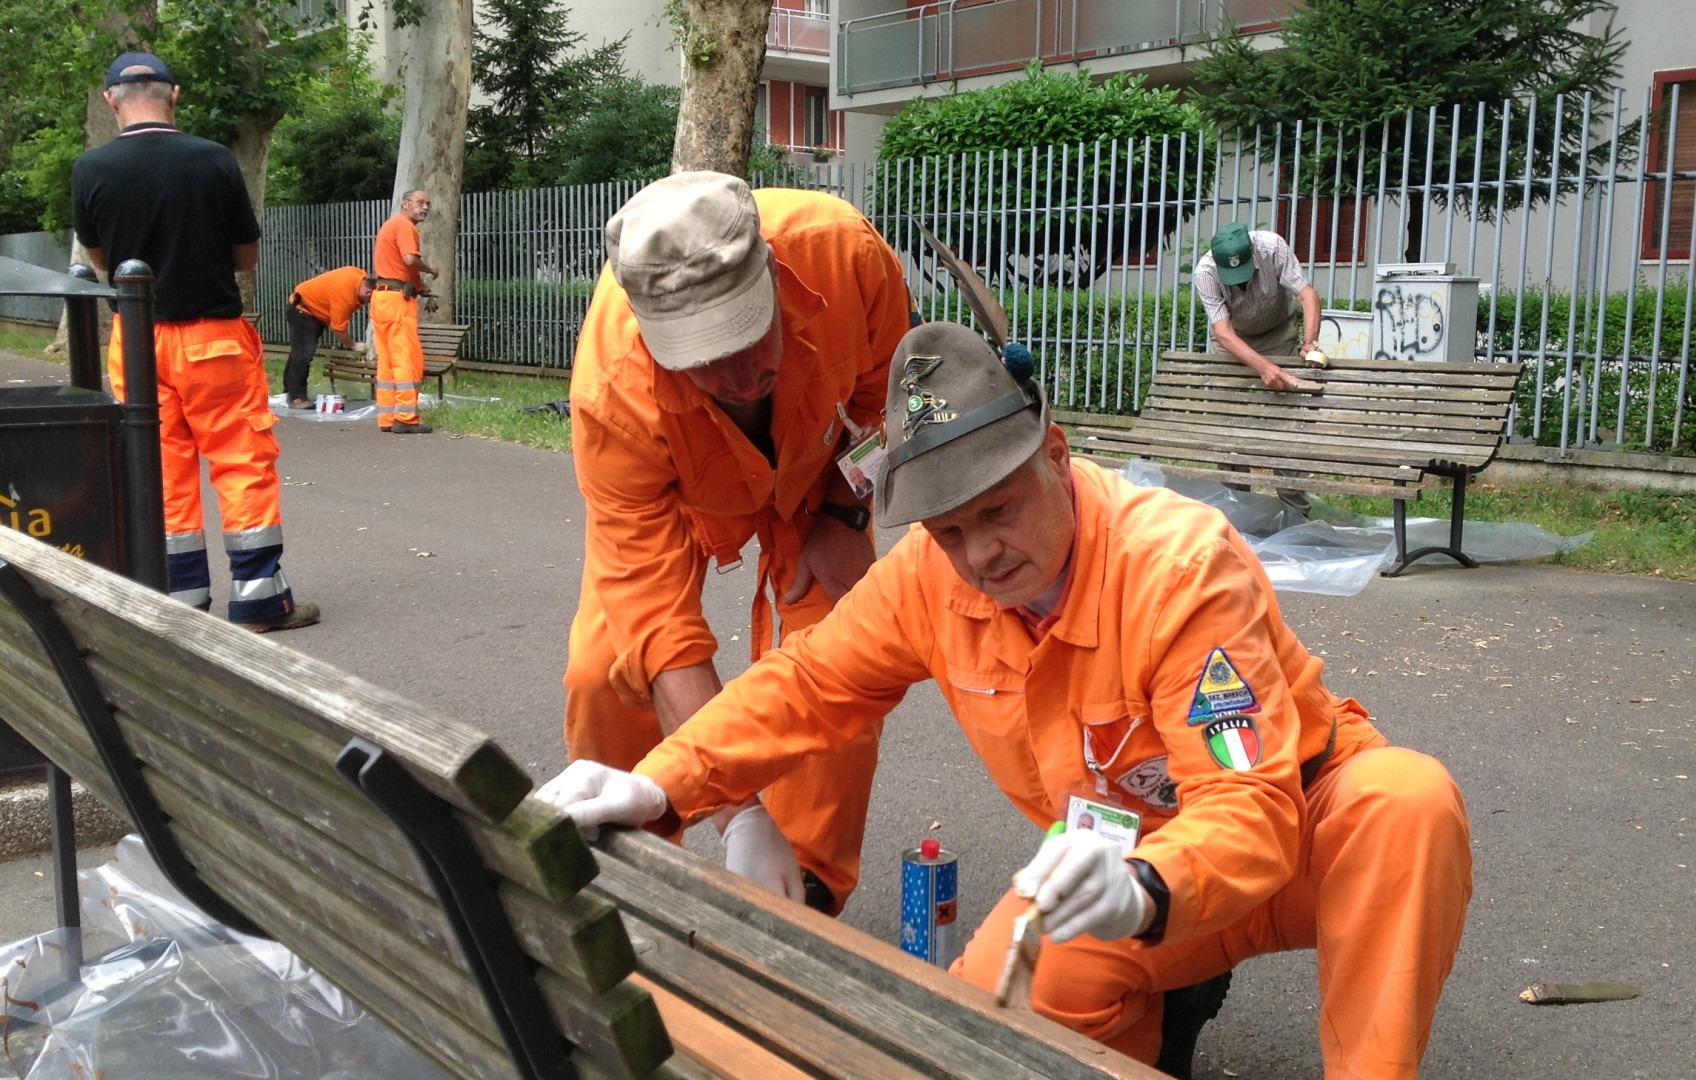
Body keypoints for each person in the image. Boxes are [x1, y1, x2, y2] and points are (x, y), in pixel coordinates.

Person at [536, 320, 1474, 1079]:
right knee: (985, 1035)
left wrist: (1150, 890)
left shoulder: (1179, 568)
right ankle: (1151, 1002)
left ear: (1055, 456)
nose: (980, 554)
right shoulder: (931, 576)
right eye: (948, 530)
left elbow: (1248, 808)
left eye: (998, 510)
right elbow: (809, 683)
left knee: (1405, 803)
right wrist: (664, 784)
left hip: (1294, 832)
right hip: (1114, 860)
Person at [562, 171, 911, 913]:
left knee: (841, 651)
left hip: (819, 473)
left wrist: (845, 511)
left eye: (751, 335)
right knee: (602, 671)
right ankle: (624, 855)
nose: (744, 377)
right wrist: (739, 813)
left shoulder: (846, 254)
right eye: (704, 358)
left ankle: (802, 890)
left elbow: (890, 398)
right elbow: (660, 626)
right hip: (688, 492)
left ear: (774, 273)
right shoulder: (612, 394)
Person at [71, 51, 319, 633]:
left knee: (159, 471)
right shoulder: (213, 160)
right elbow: (246, 257)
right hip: (215, 340)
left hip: (136, 341)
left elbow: (101, 260)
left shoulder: (91, 168)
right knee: (241, 462)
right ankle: (258, 603)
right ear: (174, 95)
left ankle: (179, 602)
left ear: (110, 101)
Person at [1195, 222, 1330, 393]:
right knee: (1226, 397)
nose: (1239, 281)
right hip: (1233, 338)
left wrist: (1309, 343)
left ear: (1252, 251)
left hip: (1277, 334)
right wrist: (1264, 367)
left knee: (1286, 390)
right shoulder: (1205, 272)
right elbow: (1223, 330)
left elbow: (1308, 295)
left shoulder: (1273, 248)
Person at [371, 189, 437, 434]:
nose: (425, 207)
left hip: (382, 297)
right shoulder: (405, 226)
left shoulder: (390, 225)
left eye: (428, 203)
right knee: (407, 359)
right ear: (405, 203)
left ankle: (387, 417)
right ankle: (406, 418)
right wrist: (430, 270)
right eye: (420, 202)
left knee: (387, 361)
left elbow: (401, 268)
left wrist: (421, 287)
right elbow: (410, 260)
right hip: (398, 301)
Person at [283, 266, 373, 408]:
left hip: (310, 308)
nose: (368, 303)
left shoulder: (359, 275)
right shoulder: (345, 296)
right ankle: (296, 398)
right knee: (303, 355)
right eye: (370, 299)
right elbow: (338, 329)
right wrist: (354, 345)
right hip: (303, 310)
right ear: (368, 292)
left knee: (299, 353)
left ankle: (289, 391)